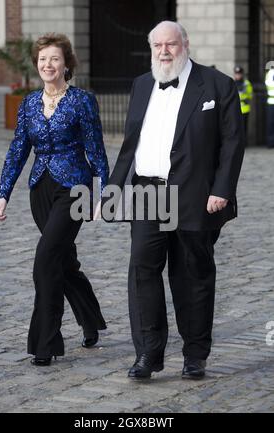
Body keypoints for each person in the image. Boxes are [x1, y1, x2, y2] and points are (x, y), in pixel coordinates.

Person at [103, 21, 244, 380]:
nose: (164, 52)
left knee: (192, 275)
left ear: (186, 44)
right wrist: (113, 189)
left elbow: (232, 144)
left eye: (171, 45)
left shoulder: (217, 84)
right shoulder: (141, 84)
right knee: (142, 270)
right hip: (146, 192)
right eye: (157, 46)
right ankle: (148, 353)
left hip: (195, 194)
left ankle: (195, 355)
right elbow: (130, 145)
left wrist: (222, 189)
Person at [0, 33, 109, 366]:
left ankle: (45, 342)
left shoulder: (82, 101)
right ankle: (90, 320)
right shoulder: (29, 102)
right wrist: (3, 194)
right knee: (63, 261)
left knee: (45, 259)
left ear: (66, 64)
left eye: (54, 59)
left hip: (75, 191)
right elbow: (18, 150)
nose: (48, 65)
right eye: (43, 59)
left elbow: (96, 150)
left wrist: (106, 194)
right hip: (40, 190)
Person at [234, 65, 253, 145]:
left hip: (245, 108)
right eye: (236, 74)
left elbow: (250, 95)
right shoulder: (232, 83)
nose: (238, 75)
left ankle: (244, 143)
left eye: (239, 74)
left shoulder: (246, 83)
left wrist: (245, 98)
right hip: (235, 109)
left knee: (244, 127)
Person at [265, 65, 274, 148]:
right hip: (271, 102)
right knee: (270, 124)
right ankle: (270, 143)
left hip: (271, 102)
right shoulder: (270, 73)